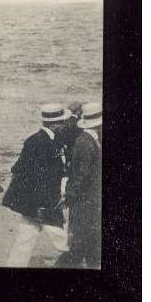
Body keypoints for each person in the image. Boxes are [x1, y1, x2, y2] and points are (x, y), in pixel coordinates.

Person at [2, 104, 70, 267]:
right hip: (42, 202)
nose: (64, 126)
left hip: (34, 202)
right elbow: (31, 175)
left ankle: (14, 265)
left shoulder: (41, 140)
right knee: (60, 238)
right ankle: (77, 262)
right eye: (62, 122)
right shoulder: (40, 142)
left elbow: (19, 168)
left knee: (25, 239)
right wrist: (39, 205)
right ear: (55, 124)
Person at [56, 102, 102, 269]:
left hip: (88, 201)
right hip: (85, 201)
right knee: (80, 244)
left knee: (89, 244)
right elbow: (81, 176)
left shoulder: (89, 140)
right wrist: (69, 197)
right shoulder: (86, 143)